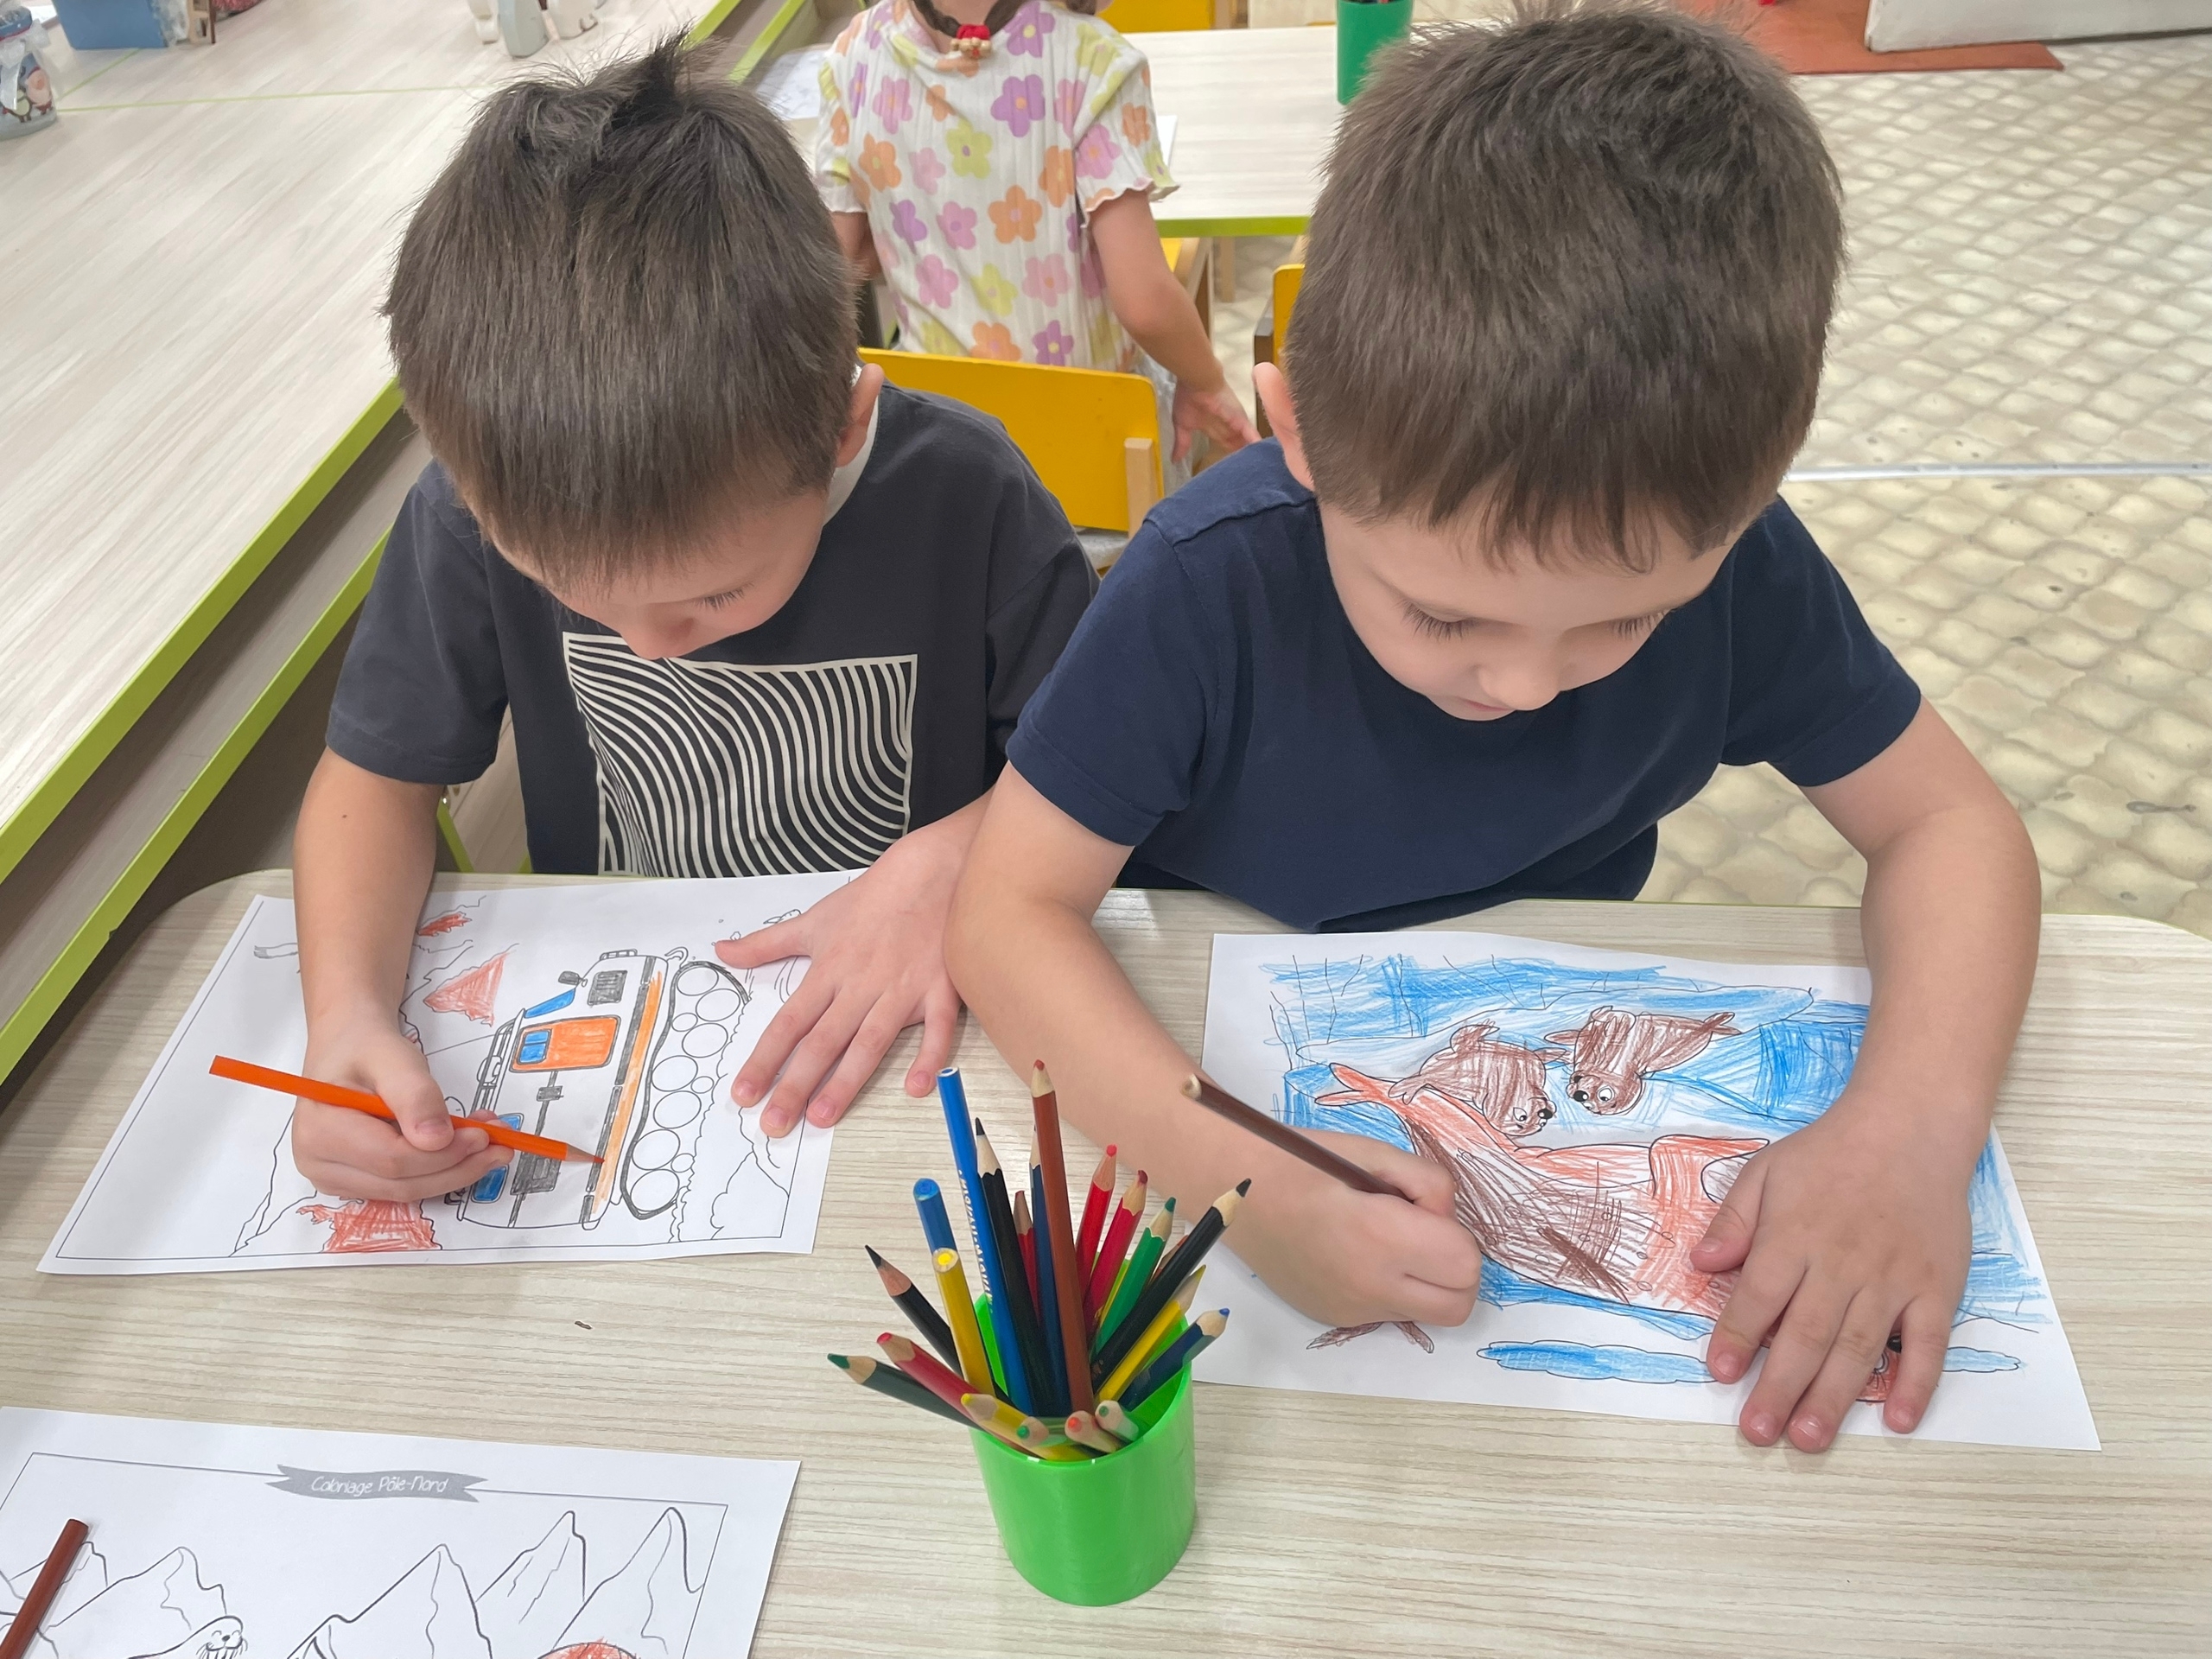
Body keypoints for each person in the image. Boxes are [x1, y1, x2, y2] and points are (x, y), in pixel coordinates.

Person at [945, 2, 2040, 1454]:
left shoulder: (1743, 569)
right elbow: (1007, 915)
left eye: (1621, 624)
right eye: (1443, 616)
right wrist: (1237, 1181)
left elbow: (1952, 826)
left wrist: (1910, 1132)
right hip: (1227, 1026)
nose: (1524, 685)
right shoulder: (1201, 592)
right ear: (1298, 432)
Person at [294, 36, 1094, 1203]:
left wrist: (961, 859)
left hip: (922, 1036)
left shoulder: (968, 498)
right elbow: (373, 783)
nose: (647, 646)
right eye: (578, 599)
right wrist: (346, 1018)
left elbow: (1103, 775)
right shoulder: (466, 516)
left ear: (841, 426)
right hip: (641, 1035)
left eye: (713, 596)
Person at [813, 0, 1256, 470]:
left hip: (938, 447)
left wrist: (912, 224)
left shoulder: (852, 56)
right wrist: (1207, 382)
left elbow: (835, 267)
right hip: (1089, 446)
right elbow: (1144, 303)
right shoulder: (1091, 61)